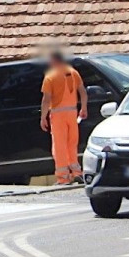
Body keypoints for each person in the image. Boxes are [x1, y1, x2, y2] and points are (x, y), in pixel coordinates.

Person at [40, 51, 88, 185]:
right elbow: (83, 92)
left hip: (58, 114)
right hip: (72, 114)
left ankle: (63, 177)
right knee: (72, 143)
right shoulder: (73, 72)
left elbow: (46, 99)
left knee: (59, 146)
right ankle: (77, 172)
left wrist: (43, 117)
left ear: (54, 60)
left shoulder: (50, 76)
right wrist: (83, 108)